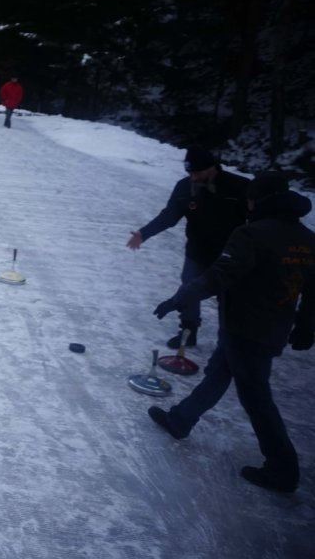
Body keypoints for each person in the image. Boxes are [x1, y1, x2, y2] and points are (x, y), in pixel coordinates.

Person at [149, 173, 315, 494]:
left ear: (260, 200)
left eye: (251, 199)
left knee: (256, 397)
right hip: (272, 329)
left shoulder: (251, 235)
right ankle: (180, 420)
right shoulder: (307, 239)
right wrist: (306, 326)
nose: (247, 203)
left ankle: (283, 468)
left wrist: (177, 299)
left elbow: (217, 277)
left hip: (245, 328)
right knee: (218, 373)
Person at [127, 148, 250, 348]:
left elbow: (258, 220)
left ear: (212, 168)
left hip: (230, 256)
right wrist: (144, 233)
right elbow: (169, 216)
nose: (193, 178)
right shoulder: (184, 188)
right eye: (190, 173)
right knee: (190, 290)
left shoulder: (239, 187)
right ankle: (188, 331)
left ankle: (230, 340)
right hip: (197, 252)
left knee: (228, 299)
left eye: (198, 173)